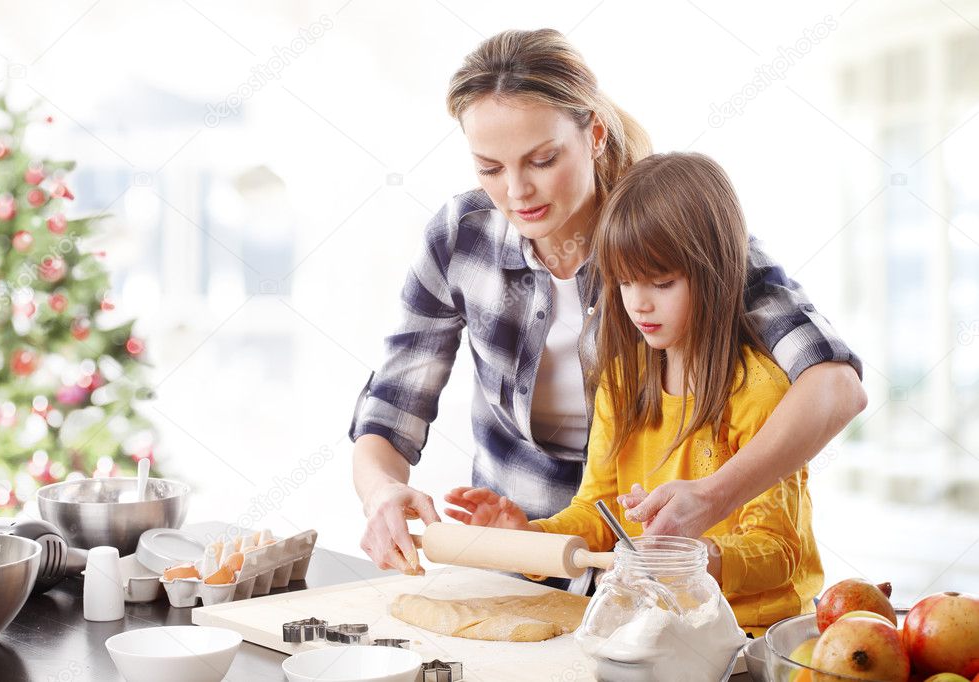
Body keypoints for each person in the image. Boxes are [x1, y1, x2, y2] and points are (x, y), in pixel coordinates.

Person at [350, 28, 865, 589]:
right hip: (523, 556)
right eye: (490, 169)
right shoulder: (461, 238)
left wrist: (713, 499)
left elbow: (836, 386)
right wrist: (381, 492)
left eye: (542, 160)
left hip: (661, 573)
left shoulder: (670, 233)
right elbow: (391, 406)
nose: (517, 191)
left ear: (594, 134)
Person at [444, 152, 822, 630]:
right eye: (625, 283)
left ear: (717, 275)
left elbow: (781, 551)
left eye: (661, 283)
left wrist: (698, 557)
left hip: (748, 635)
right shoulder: (622, 383)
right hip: (655, 629)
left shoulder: (759, 394)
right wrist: (529, 537)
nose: (639, 304)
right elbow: (597, 515)